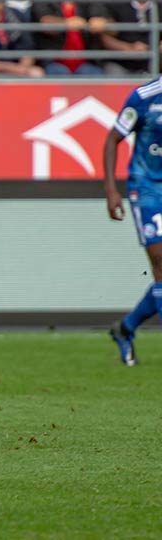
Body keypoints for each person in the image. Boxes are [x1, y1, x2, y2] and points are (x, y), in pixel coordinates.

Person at [106, 75, 162, 367]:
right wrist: (111, 189)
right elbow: (113, 138)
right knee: (160, 260)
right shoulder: (144, 97)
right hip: (148, 188)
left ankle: (125, 328)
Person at [31, 0, 108, 77]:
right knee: (59, 74)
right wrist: (67, 23)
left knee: (94, 75)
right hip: (54, 63)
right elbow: (45, 21)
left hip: (87, 63)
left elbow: (102, 18)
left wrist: (100, 22)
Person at [93, 0, 162, 76]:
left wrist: (154, 49)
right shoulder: (115, 3)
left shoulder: (160, 5)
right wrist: (128, 48)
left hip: (155, 62)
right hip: (121, 62)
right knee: (113, 73)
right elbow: (105, 37)